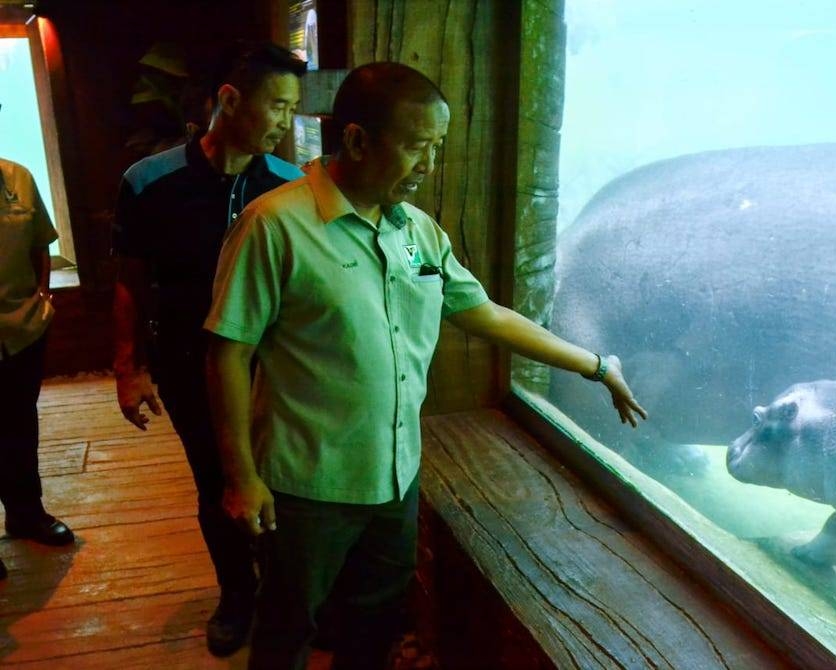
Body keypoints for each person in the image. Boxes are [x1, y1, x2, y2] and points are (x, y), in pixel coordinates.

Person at [203, 61, 648, 670]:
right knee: (287, 624)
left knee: (375, 619)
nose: (429, 166)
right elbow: (228, 350)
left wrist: (595, 364)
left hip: (394, 475)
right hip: (305, 482)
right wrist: (241, 478)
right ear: (357, 140)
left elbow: (484, 313)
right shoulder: (273, 225)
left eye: (436, 148)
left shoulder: (417, 232)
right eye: (416, 147)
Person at [110, 42, 306, 657]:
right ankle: (237, 595)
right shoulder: (149, 181)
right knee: (216, 481)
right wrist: (129, 366)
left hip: (272, 368)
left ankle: (284, 597)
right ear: (229, 100)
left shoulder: (290, 186)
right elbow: (130, 281)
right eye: (277, 105)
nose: (284, 121)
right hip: (188, 361)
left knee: (277, 479)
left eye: (292, 108)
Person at [0, 156, 74, 584]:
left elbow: (40, 241)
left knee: (19, 422)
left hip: (22, 327)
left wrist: (43, 296)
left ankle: (26, 514)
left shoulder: (18, 179)